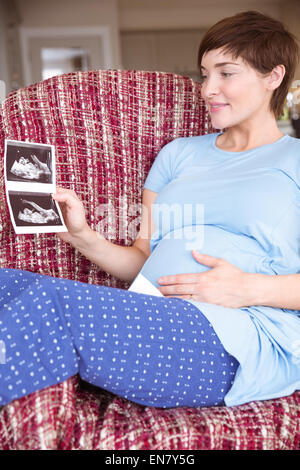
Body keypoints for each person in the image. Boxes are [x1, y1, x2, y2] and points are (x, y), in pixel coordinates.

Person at [1, 10, 300, 409]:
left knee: (50, 307)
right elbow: (144, 258)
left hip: (242, 331)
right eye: (204, 73)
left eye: (226, 73)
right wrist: (83, 236)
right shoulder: (178, 155)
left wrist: (247, 288)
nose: (208, 89)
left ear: (273, 77)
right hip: (151, 307)